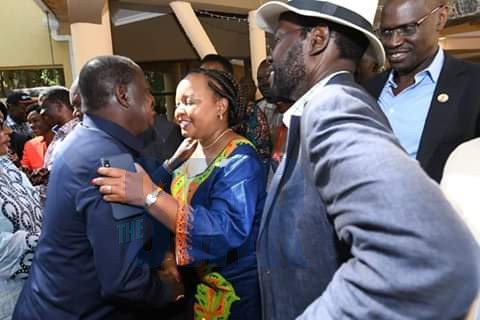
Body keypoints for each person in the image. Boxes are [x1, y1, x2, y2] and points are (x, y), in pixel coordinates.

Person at [254, 0, 479, 319]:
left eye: (278, 38)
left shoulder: (333, 106)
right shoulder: (334, 101)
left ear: (317, 40)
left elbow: (427, 256)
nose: (272, 54)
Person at [13, 55, 178, 319]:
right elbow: (123, 281)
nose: (151, 100)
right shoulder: (110, 162)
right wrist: (169, 290)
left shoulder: (81, 138)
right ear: (123, 95)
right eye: (145, 91)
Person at [93, 69, 266, 320]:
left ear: (221, 106)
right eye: (177, 104)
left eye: (189, 102)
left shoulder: (240, 160)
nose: (179, 112)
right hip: (191, 290)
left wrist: (150, 195)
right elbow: (167, 203)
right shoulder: (192, 148)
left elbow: (225, 229)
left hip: (230, 296)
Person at [364, 0, 480, 182]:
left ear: (440, 18)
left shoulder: (473, 85)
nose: (394, 42)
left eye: (408, 28)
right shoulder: (368, 89)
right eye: (387, 32)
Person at [0, 116, 43, 320]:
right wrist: (57, 242)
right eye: (0, 126)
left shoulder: (6, 165)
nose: (8, 131)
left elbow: (32, 205)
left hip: (38, 295)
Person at [39, 87, 80, 170]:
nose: (41, 113)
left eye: (44, 107)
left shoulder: (79, 133)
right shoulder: (58, 134)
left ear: (58, 106)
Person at [20, 104, 54, 170]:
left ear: (47, 119)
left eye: (35, 121)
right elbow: (25, 170)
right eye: (29, 122)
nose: (31, 125)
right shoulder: (30, 145)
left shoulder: (63, 141)